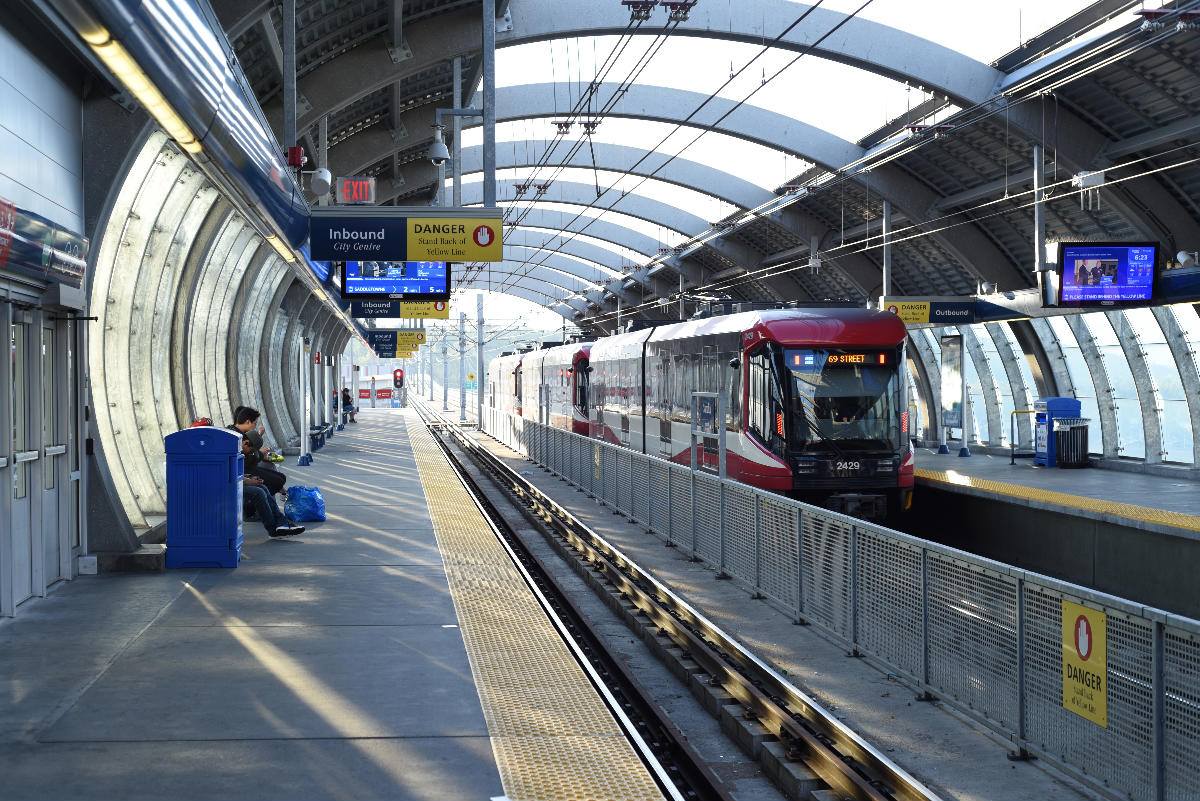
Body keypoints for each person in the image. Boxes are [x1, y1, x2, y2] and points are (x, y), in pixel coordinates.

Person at [241, 439, 303, 538]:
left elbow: (234, 473)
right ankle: (274, 529)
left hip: (237, 481)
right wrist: (249, 481)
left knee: (263, 487)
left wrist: (250, 479)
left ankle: (281, 523)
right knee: (259, 492)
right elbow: (229, 475)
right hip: (227, 485)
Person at [230, 407, 286, 497]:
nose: (255, 427)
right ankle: (254, 505)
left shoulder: (239, 433)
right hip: (243, 471)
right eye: (255, 423)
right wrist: (260, 454)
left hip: (248, 468)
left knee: (281, 477)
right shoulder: (237, 437)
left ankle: (268, 502)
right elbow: (246, 460)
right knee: (277, 481)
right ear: (248, 422)